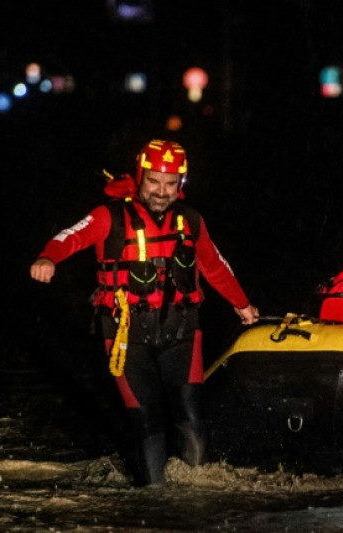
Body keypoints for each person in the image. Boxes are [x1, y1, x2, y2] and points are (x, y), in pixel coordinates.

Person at [30, 139, 260, 486]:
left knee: (191, 418)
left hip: (181, 331)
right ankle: (155, 499)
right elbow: (70, 237)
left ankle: (197, 496)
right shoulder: (109, 216)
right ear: (139, 176)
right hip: (126, 335)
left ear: (181, 183)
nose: (161, 191)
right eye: (153, 181)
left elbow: (214, 265)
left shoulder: (191, 220)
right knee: (147, 420)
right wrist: (48, 258)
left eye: (170, 183)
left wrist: (241, 304)